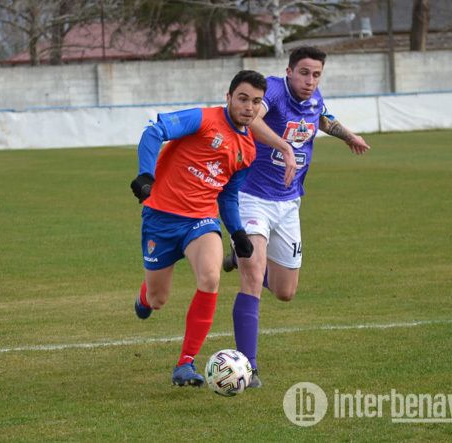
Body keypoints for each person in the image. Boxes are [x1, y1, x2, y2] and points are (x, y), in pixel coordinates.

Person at [223, 46, 371, 388]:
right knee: (253, 275)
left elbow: (323, 118)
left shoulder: (314, 98)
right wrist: (285, 147)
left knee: (285, 291)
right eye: (304, 73)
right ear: (289, 71)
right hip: (251, 196)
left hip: (289, 203)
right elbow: (252, 119)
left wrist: (348, 136)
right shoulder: (273, 90)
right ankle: (249, 366)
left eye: (316, 74)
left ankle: (240, 256)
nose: (310, 80)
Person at [129, 70, 270, 387]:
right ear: (229, 97)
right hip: (160, 218)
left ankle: (185, 364)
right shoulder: (203, 119)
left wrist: (237, 232)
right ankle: (145, 297)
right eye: (243, 98)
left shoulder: (248, 150)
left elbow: (228, 195)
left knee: (210, 277)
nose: (249, 107)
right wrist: (145, 175)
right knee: (158, 298)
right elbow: (154, 131)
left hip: (201, 220)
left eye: (256, 101)